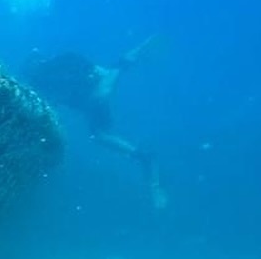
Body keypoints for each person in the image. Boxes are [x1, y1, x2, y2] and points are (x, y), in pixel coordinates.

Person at [25, 37, 167, 209]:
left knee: (107, 84)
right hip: (93, 102)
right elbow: (51, 103)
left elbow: (88, 71)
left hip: (98, 91)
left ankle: (140, 49)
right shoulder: (45, 80)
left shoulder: (60, 64)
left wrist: (97, 75)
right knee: (99, 135)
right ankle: (143, 156)